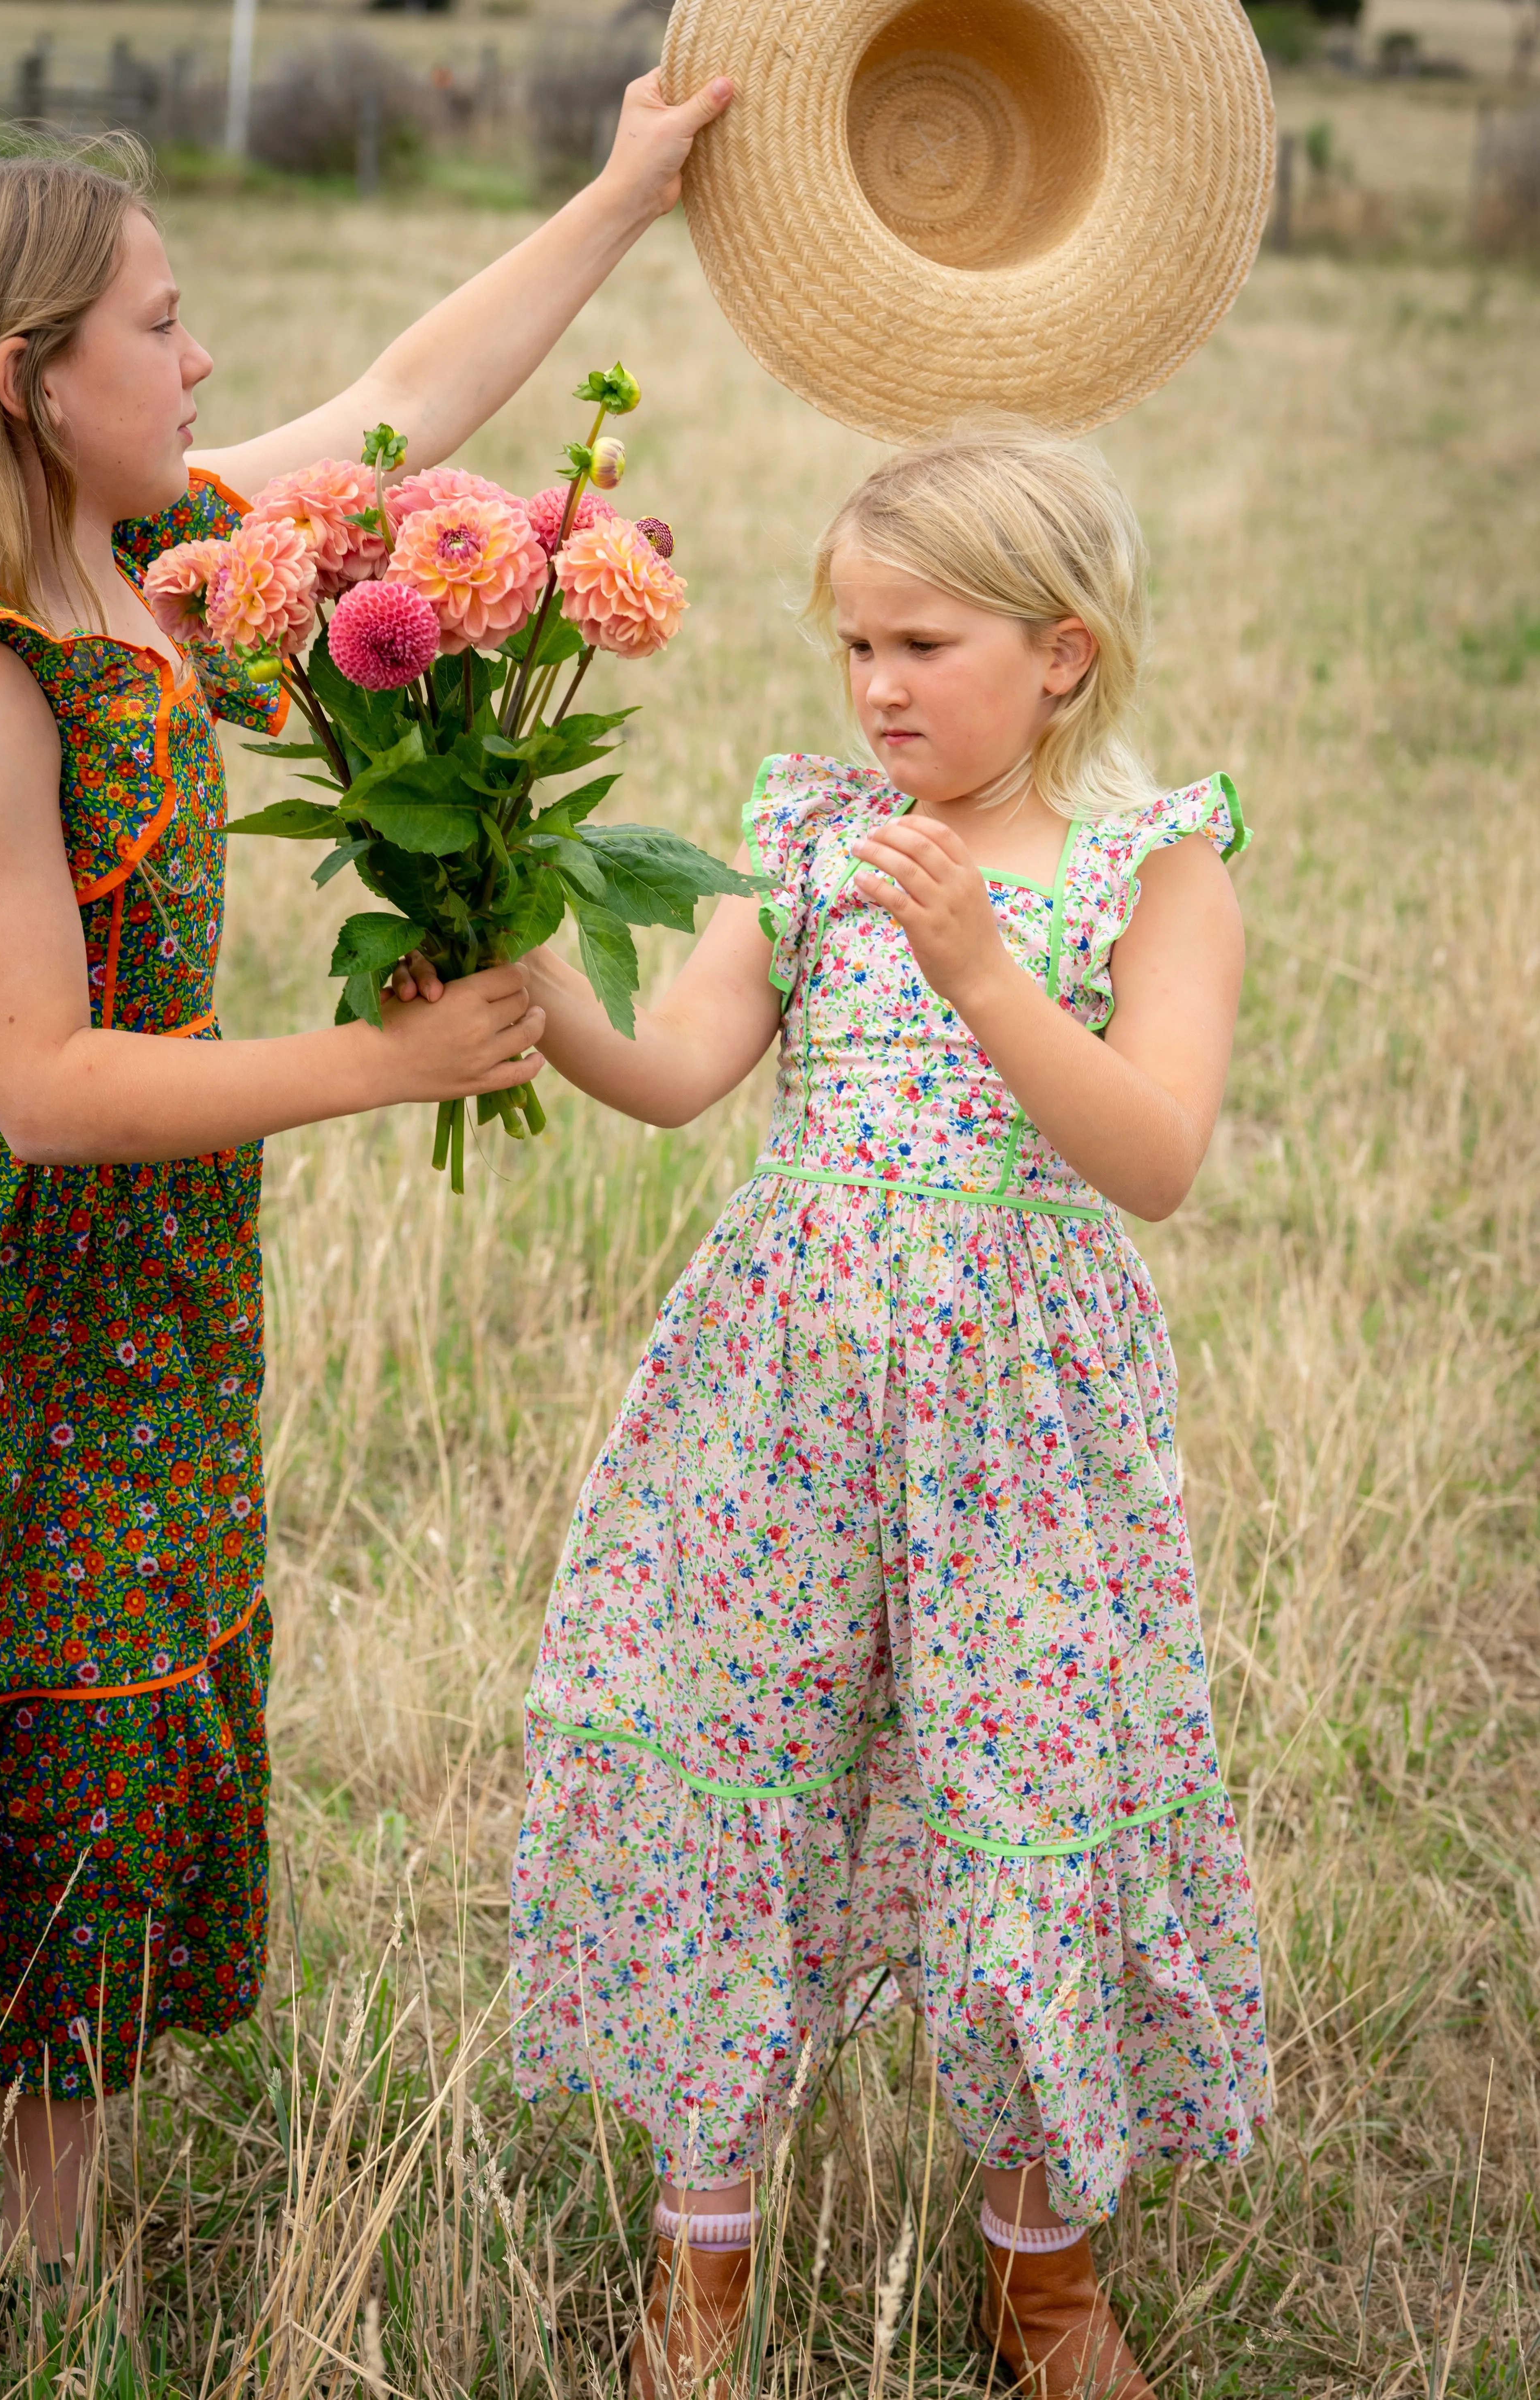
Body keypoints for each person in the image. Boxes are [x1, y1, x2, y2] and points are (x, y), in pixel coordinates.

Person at [0, 66, 731, 2281]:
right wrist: (371, 1073)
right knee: (15, 1678)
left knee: (110, 1707)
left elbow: (405, 390)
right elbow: (40, 1085)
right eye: (163, 329)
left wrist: (621, 194)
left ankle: (48, 2244)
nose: (202, 365)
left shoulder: (157, 561)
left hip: (140, 1285)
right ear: (29, 381)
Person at [397, 421, 1271, 2395]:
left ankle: (1042, 2278)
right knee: (742, 1766)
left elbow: (1153, 1158)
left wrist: (978, 966)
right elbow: (678, 1071)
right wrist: (499, 913)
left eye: (924, 646)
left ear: (1061, 652)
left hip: (1021, 1421)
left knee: (1024, 1798)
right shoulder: (799, 835)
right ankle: (700, 2275)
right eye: (852, 646)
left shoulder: (1155, 865)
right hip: (782, 1392)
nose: (876, 687)